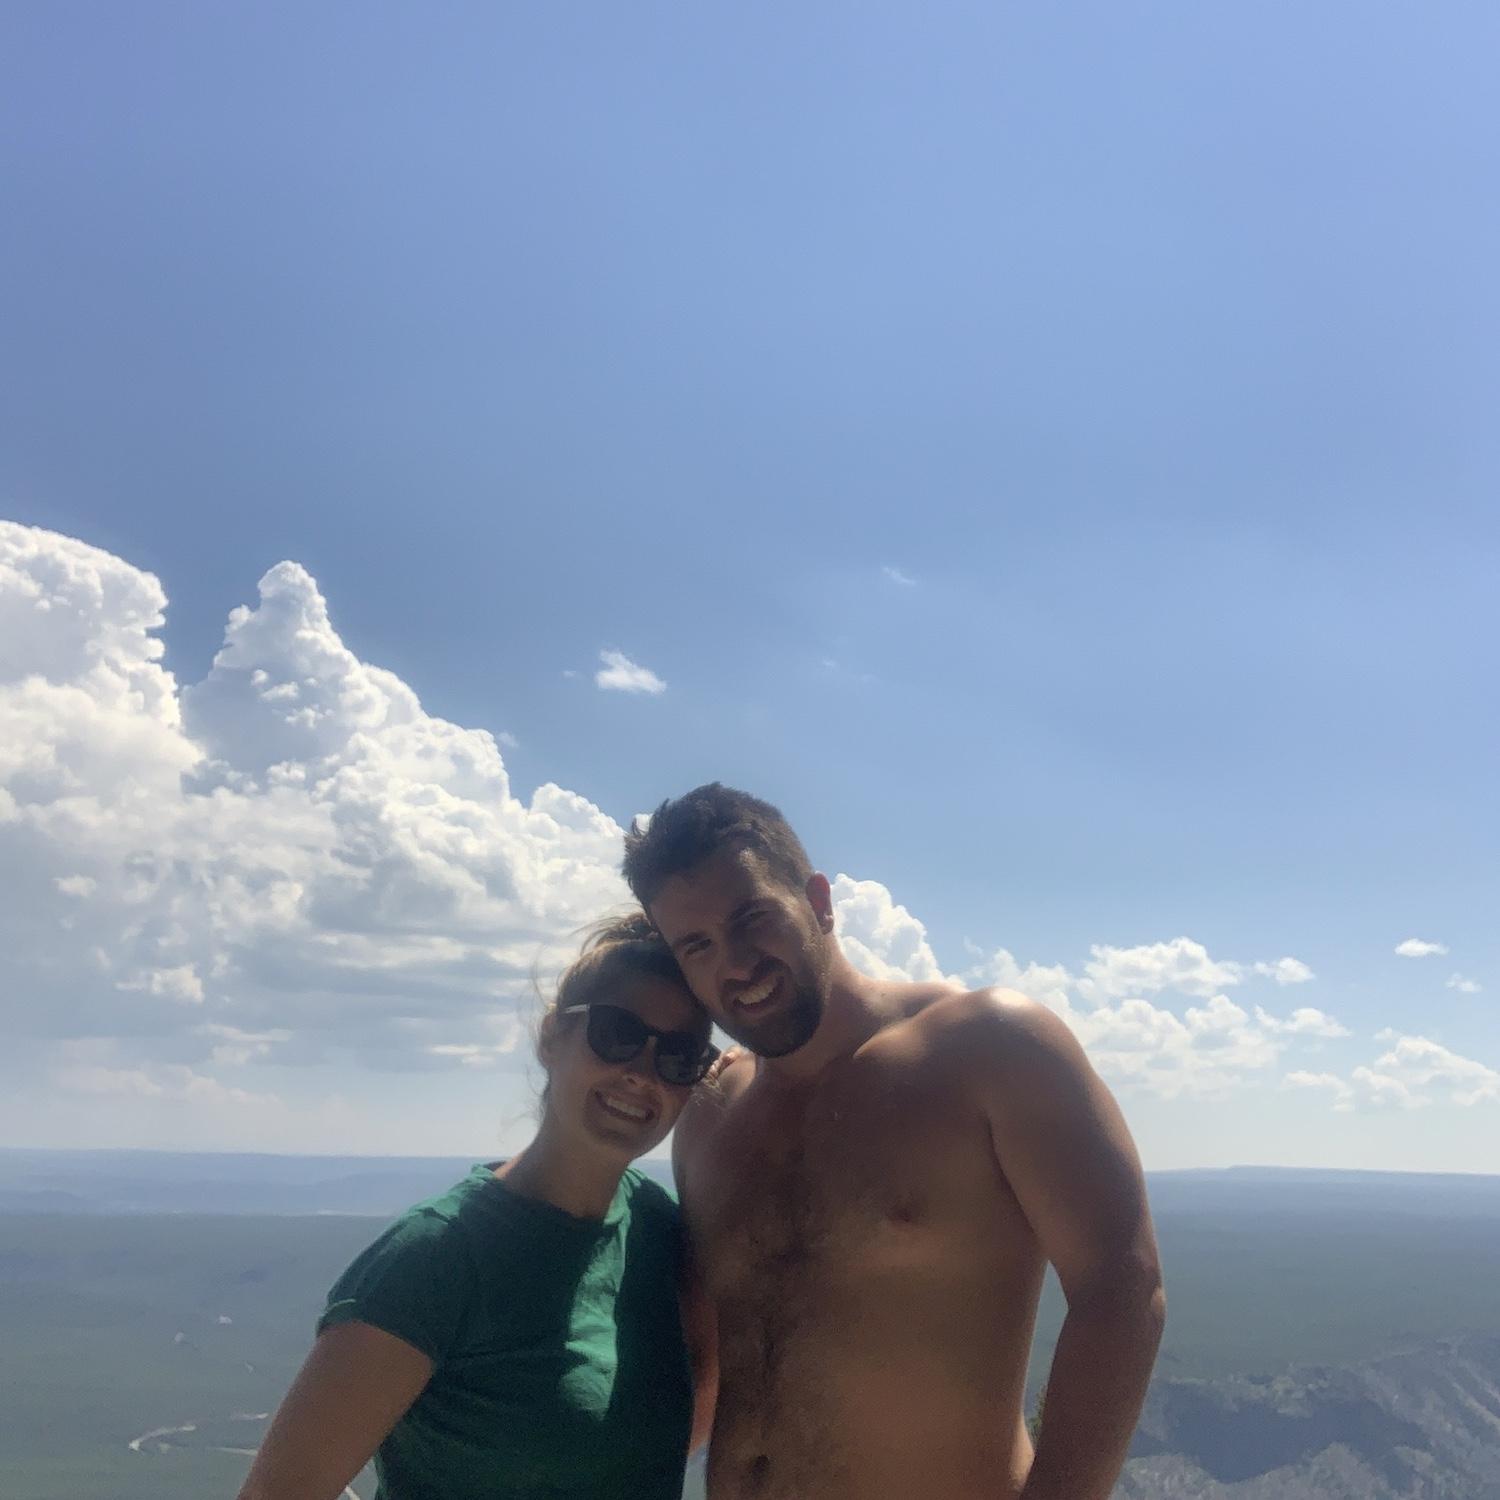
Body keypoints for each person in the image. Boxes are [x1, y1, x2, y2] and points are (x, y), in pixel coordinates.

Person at [625, 784, 1166, 1500]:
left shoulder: (988, 1048)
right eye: (697, 946)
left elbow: (1122, 1291)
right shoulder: (711, 1115)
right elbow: (705, 1359)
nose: (736, 964)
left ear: (818, 901)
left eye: (753, 918)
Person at [235, 913, 721, 1500]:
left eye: (678, 1057)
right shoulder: (438, 1257)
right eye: (617, 1034)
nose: (642, 1074)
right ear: (552, 1037)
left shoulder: (661, 1234)